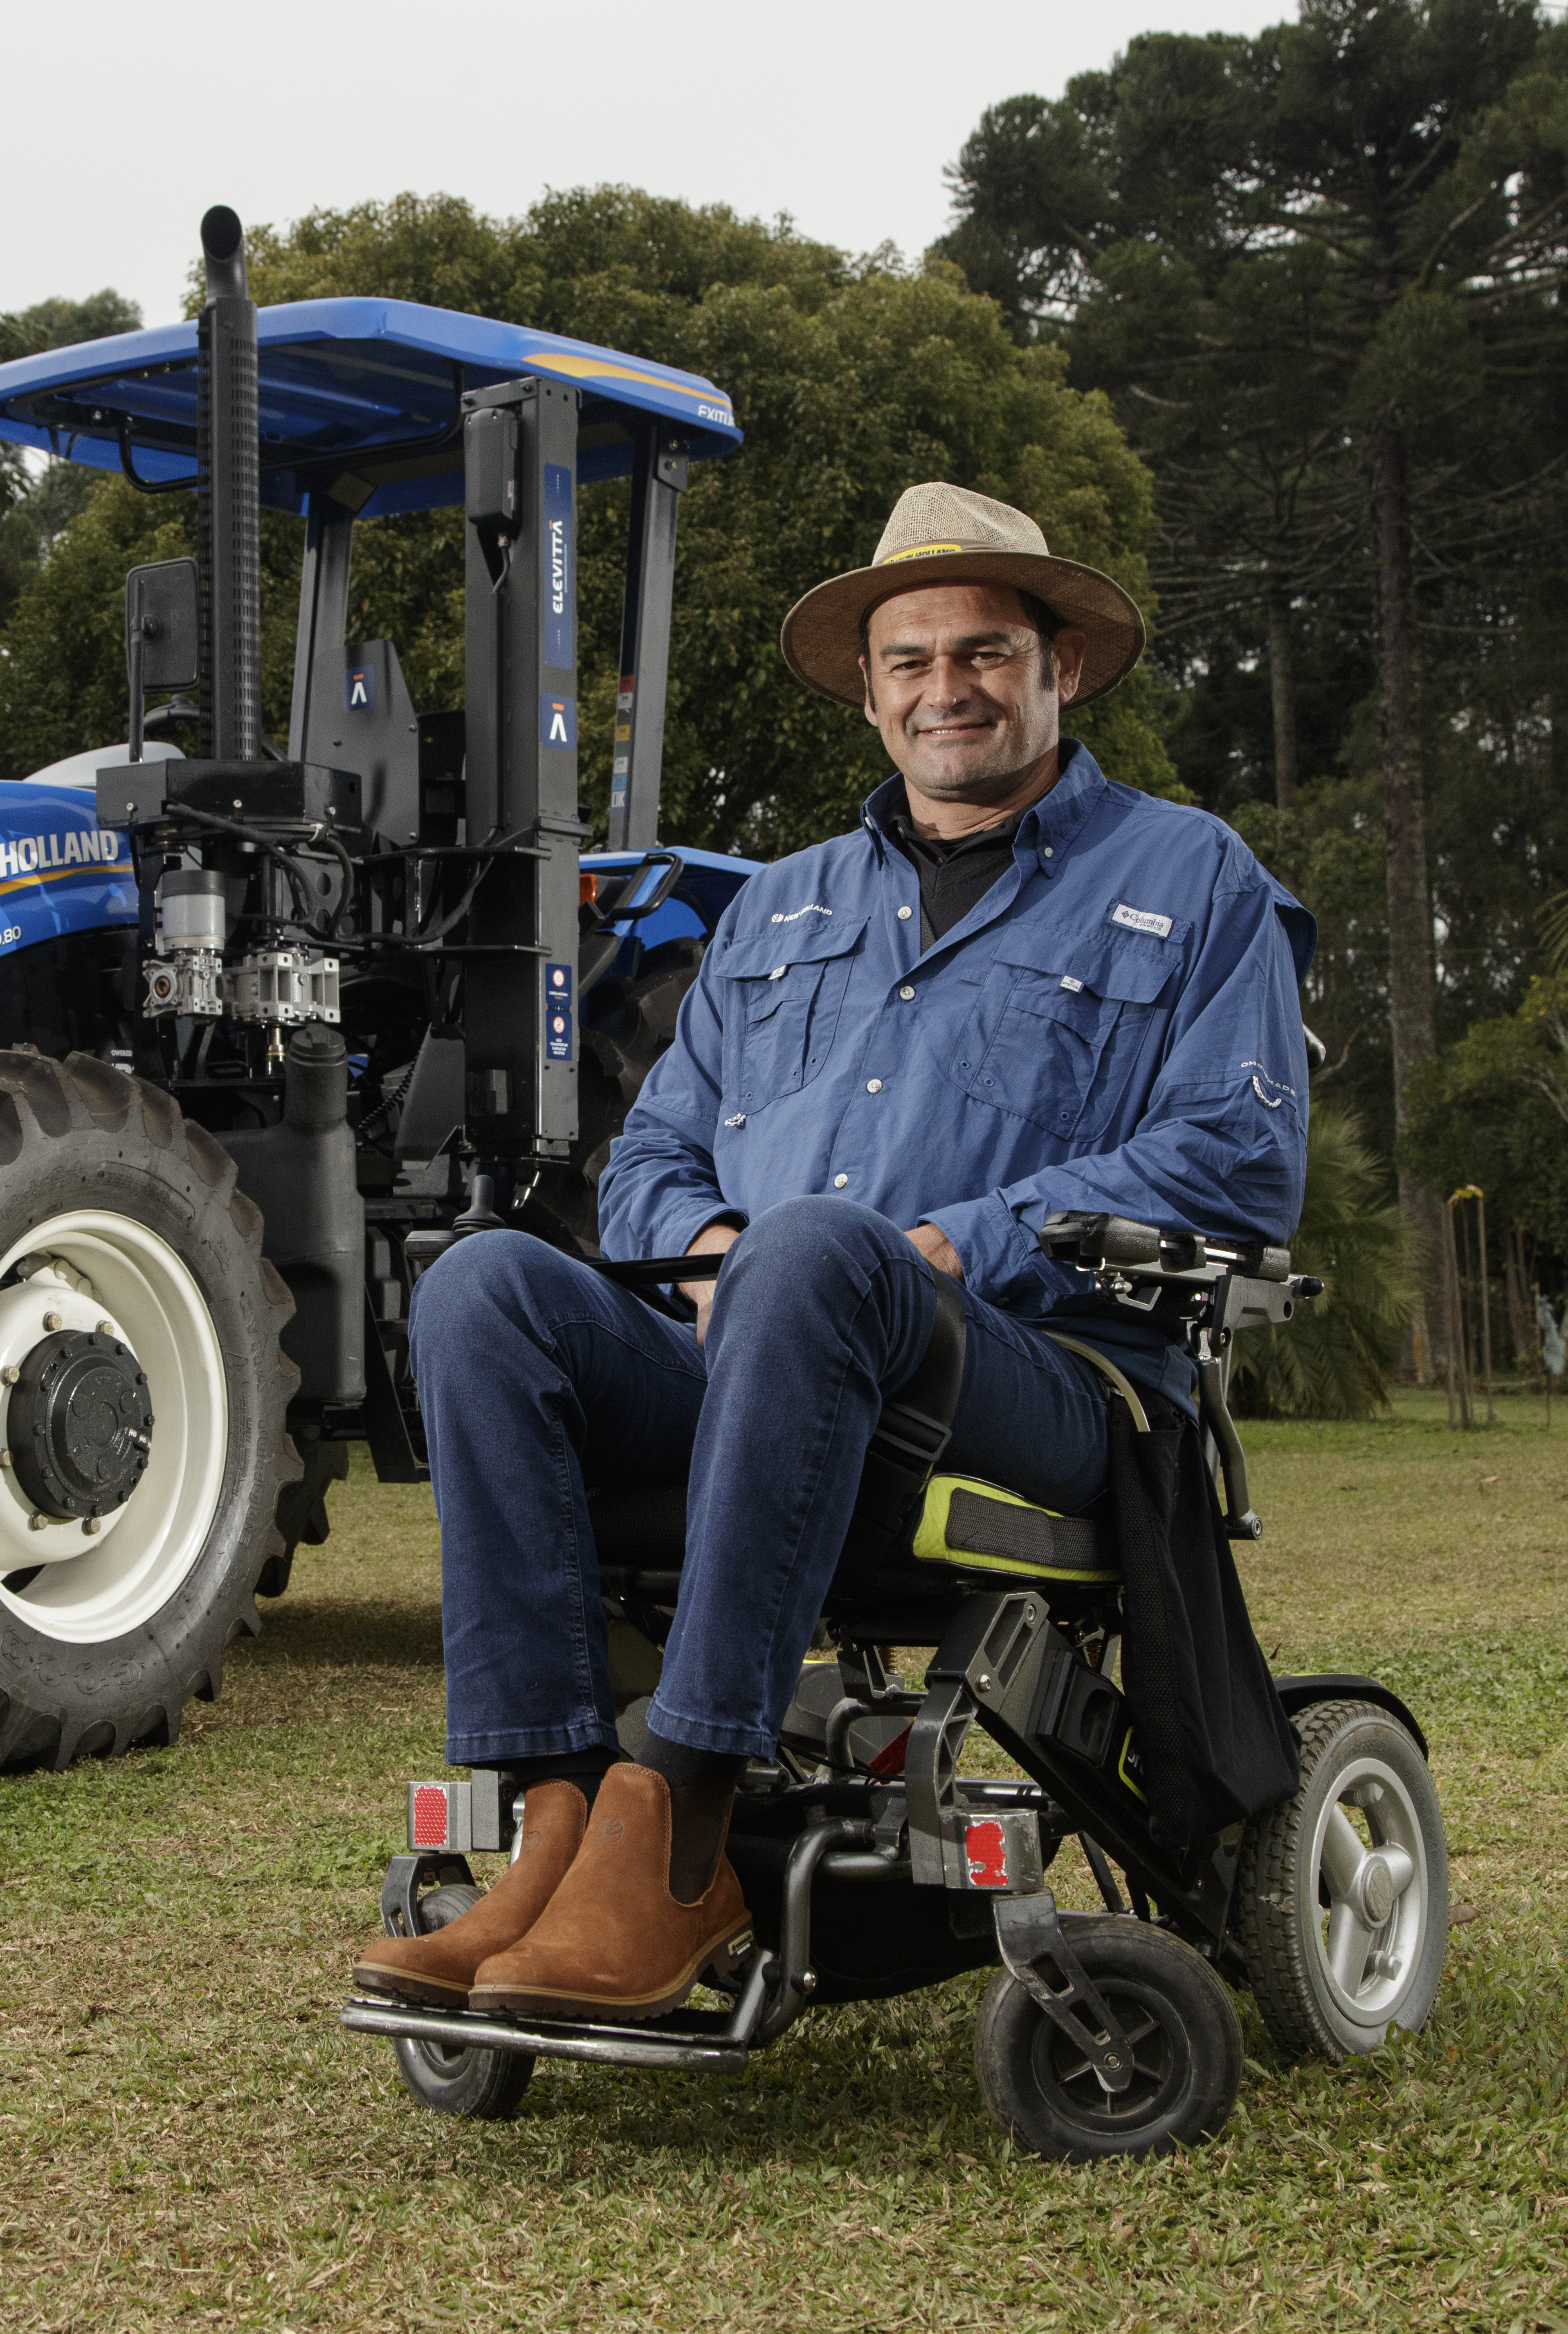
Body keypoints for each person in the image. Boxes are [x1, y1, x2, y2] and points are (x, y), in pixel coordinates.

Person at [350, 481, 1315, 2024]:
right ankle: (559, 1824)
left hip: (1039, 1379)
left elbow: (1236, 1157)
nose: (948, 688)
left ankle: (686, 1817)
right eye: (910, 660)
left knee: (815, 1251)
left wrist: (946, 1247)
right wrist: (710, 1247)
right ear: (868, 692)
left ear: (1060, 665)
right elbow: (651, 1158)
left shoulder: (1190, 876)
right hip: (758, 1352)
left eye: (985, 651)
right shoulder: (778, 907)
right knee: (482, 1285)